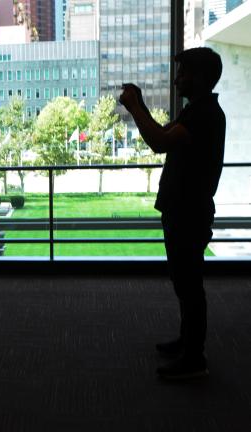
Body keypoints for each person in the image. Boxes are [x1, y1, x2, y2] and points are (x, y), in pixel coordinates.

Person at [120, 47, 225, 380]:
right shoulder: (198, 110)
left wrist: (135, 106)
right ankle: (188, 341)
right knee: (185, 282)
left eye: (183, 73)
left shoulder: (201, 114)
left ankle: (194, 359)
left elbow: (160, 142)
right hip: (186, 209)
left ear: (201, 77)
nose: (178, 79)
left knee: (189, 284)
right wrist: (142, 108)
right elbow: (164, 135)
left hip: (188, 211)